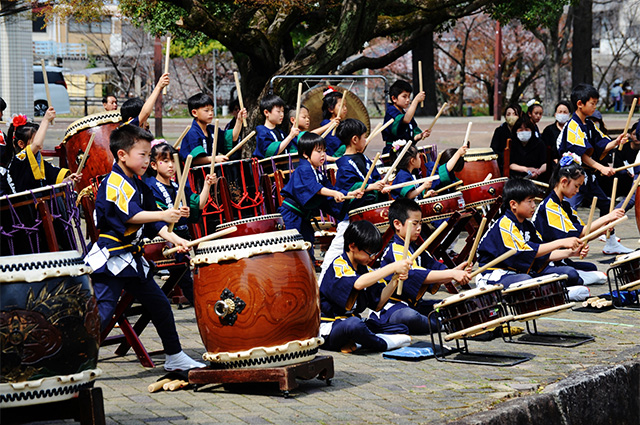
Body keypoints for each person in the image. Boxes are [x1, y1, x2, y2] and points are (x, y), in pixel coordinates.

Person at [83, 124, 205, 371]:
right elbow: (130, 216)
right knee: (105, 311)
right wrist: (164, 213)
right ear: (122, 155)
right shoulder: (114, 182)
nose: (147, 160)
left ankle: (174, 356)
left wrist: (175, 238)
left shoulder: (139, 183)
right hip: (112, 258)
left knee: (160, 304)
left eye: (149, 155)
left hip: (131, 259)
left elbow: (154, 223)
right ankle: (75, 358)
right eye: (143, 155)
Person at [476, 178, 590, 301]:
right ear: (513, 204)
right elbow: (526, 252)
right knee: (527, 282)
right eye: (529, 201)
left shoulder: (527, 225)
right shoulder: (505, 224)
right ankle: (558, 294)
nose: (533, 206)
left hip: (521, 272)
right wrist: (561, 242)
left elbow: (542, 253)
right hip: (496, 274)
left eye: (534, 201)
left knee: (571, 273)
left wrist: (571, 253)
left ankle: (553, 292)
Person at [375, 199, 471, 334]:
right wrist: (452, 274)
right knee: (409, 317)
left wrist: (456, 271)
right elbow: (416, 275)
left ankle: (444, 322)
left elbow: (435, 270)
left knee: (455, 304)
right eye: (414, 224)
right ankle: (446, 325)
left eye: (420, 223)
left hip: (415, 306)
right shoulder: (395, 250)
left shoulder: (416, 249)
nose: (419, 228)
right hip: (393, 308)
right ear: (397, 224)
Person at [557, 83, 631, 254]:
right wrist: (602, 168)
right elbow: (581, 154)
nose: (595, 106)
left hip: (587, 176)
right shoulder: (572, 126)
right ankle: (558, 245)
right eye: (593, 103)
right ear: (580, 104)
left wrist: (616, 142)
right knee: (564, 209)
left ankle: (611, 241)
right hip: (570, 178)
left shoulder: (589, 125)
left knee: (606, 204)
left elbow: (601, 146)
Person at [319, 220, 412, 353]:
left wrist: (394, 280)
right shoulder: (338, 265)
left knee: (401, 329)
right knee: (354, 326)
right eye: (370, 253)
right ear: (352, 246)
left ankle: (359, 343)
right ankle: (382, 344)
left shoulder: (365, 270)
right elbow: (358, 283)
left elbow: (378, 304)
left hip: (353, 320)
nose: (372, 258)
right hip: (330, 326)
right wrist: (392, 267)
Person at [533, 154, 624, 285]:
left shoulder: (564, 205)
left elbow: (584, 235)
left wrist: (602, 230)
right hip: (545, 261)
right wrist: (608, 217)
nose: (577, 190)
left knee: (591, 268)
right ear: (564, 181)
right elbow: (581, 232)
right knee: (573, 274)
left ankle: (580, 279)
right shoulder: (550, 206)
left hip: (561, 259)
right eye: (576, 186)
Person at [145, 141, 216, 304]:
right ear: (154, 165)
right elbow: (158, 216)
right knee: (182, 273)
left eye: (173, 161)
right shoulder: (150, 187)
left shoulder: (179, 185)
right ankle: (199, 303)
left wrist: (207, 185)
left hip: (182, 238)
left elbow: (197, 205)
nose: (171, 165)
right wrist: (175, 214)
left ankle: (200, 302)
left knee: (188, 273)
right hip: (164, 240)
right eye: (165, 161)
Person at [318, 119, 387, 281]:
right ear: (354, 140)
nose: (366, 140)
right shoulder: (345, 164)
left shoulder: (364, 159)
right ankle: (321, 284)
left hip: (367, 212)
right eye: (364, 137)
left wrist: (382, 185)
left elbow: (374, 178)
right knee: (337, 249)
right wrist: (370, 187)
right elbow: (348, 189)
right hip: (352, 216)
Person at [278, 132, 359, 259]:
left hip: (302, 215)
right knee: (293, 244)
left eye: (324, 151)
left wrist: (349, 194)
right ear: (305, 153)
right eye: (318, 151)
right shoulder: (303, 169)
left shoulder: (318, 172)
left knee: (307, 241)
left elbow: (330, 189)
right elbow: (314, 188)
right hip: (292, 214)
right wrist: (334, 193)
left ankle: (309, 266)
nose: (323, 155)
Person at [7, 108, 81, 193]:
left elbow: (54, 179)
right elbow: (37, 144)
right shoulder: (18, 160)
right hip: (22, 205)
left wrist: (68, 180)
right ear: (21, 144)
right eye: (36, 139)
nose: (40, 144)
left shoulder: (39, 162)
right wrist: (46, 119)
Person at [180, 93, 245, 165]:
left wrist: (239, 120)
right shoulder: (193, 133)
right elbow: (194, 161)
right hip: (195, 175)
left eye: (212, 110)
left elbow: (233, 137)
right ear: (194, 113)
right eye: (206, 110)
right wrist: (214, 158)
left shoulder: (212, 130)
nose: (211, 113)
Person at [381, 80, 431, 154]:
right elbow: (406, 120)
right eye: (404, 97)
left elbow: (413, 136)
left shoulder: (405, 114)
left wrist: (421, 135)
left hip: (406, 151)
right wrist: (416, 101)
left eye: (409, 97)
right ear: (394, 98)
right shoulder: (391, 112)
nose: (408, 100)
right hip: (393, 152)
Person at [252, 94, 299, 159]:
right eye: (278, 111)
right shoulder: (262, 132)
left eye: (282, 111)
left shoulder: (281, 133)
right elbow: (271, 152)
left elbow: (291, 149)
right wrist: (290, 136)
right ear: (266, 112)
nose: (282, 115)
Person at [508, 115, 547, 180]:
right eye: (520, 130)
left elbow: (545, 163)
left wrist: (538, 172)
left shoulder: (539, 143)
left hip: (537, 178)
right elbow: (510, 164)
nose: (524, 132)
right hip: (516, 178)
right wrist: (526, 169)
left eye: (526, 129)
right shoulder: (512, 143)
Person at [490, 103, 522, 172]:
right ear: (505, 117)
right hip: (503, 164)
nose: (511, 117)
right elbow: (493, 149)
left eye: (515, 114)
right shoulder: (500, 131)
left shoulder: (523, 130)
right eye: (508, 114)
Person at [319, 88, 347, 159]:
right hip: (330, 161)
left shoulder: (342, 124)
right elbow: (334, 144)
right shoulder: (326, 124)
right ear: (330, 109)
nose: (345, 108)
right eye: (341, 106)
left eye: (345, 105)